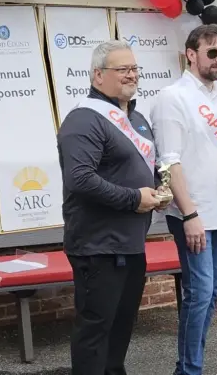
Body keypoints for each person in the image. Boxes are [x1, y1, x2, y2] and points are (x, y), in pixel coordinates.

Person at [57, 39, 165, 375]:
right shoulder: (84, 120)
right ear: (97, 75)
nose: (132, 75)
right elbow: (80, 179)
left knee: (121, 327)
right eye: (123, 69)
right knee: (95, 330)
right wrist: (134, 199)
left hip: (131, 242)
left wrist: (162, 188)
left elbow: (148, 167)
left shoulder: (138, 118)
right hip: (98, 245)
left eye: (134, 69)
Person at [150, 24, 217, 375]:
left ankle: (190, 365)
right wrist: (189, 215)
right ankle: (188, 370)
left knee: (212, 292)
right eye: (213, 52)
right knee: (200, 293)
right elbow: (169, 161)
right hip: (193, 212)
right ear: (192, 54)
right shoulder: (172, 97)